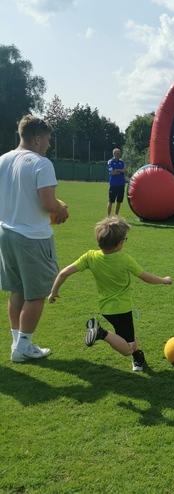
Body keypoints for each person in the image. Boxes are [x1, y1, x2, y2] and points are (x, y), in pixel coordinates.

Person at [48, 217, 172, 371]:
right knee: (128, 347)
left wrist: (54, 292)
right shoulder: (124, 259)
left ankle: (138, 359)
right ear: (119, 243)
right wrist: (163, 280)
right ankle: (101, 332)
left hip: (106, 308)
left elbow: (64, 273)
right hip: (122, 309)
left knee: (128, 336)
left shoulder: (90, 256)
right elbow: (146, 277)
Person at [0, 115, 69, 362]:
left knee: (17, 290)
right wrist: (61, 208)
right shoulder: (41, 163)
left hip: (6, 232)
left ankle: (17, 343)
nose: (48, 144)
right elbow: (48, 203)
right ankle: (23, 347)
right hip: (32, 236)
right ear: (37, 138)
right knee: (37, 294)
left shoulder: (3, 160)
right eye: (47, 139)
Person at [107, 148, 126, 216]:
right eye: (117, 153)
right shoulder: (110, 161)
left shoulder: (122, 162)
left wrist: (117, 170)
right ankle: (108, 216)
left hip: (121, 184)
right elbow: (112, 173)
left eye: (119, 153)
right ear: (114, 154)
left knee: (119, 201)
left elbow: (124, 170)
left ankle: (116, 216)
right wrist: (120, 171)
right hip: (113, 184)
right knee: (111, 201)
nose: (118, 155)